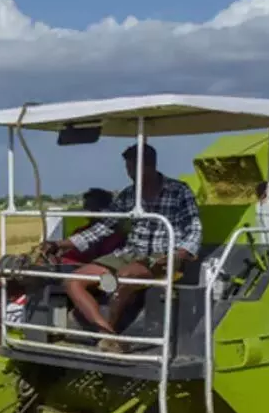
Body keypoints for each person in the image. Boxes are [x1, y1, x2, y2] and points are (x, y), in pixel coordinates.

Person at [43, 143, 202, 353]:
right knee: (73, 282)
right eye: (128, 169)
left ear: (149, 165)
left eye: (133, 168)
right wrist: (60, 244)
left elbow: (194, 227)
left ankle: (110, 335)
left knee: (125, 277)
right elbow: (104, 226)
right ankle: (107, 335)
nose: (130, 174)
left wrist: (179, 254)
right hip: (129, 252)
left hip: (162, 256)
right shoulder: (128, 195)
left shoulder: (179, 191)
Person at [0, 187, 126, 353]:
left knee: (15, 264)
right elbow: (65, 247)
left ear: (105, 209)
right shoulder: (82, 231)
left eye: (92, 207)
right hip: (53, 267)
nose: (88, 211)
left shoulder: (113, 236)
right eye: (87, 207)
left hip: (73, 272)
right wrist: (48, 249)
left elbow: (100, 264)